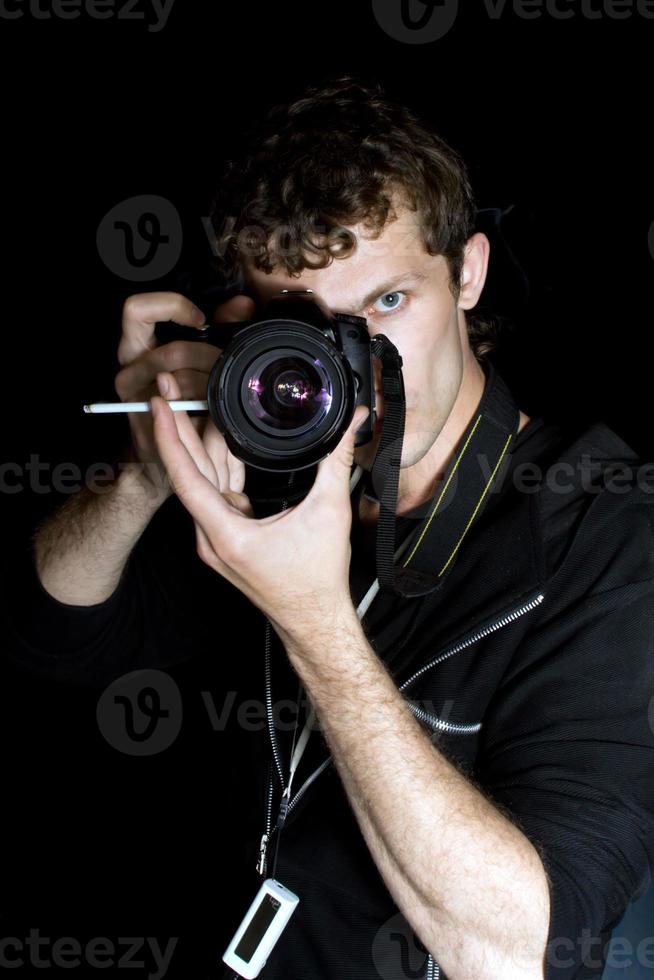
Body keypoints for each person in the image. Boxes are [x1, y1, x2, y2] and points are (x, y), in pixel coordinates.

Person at [4, 76, 654, 980]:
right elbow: (51, 637)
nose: (362, 367)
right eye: (311, 329)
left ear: (467, 272)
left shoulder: (606, 527)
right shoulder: (273, 480)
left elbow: (517, 952)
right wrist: (149, 466)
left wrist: (313, 619)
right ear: (254, 331)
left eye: (387, 304)